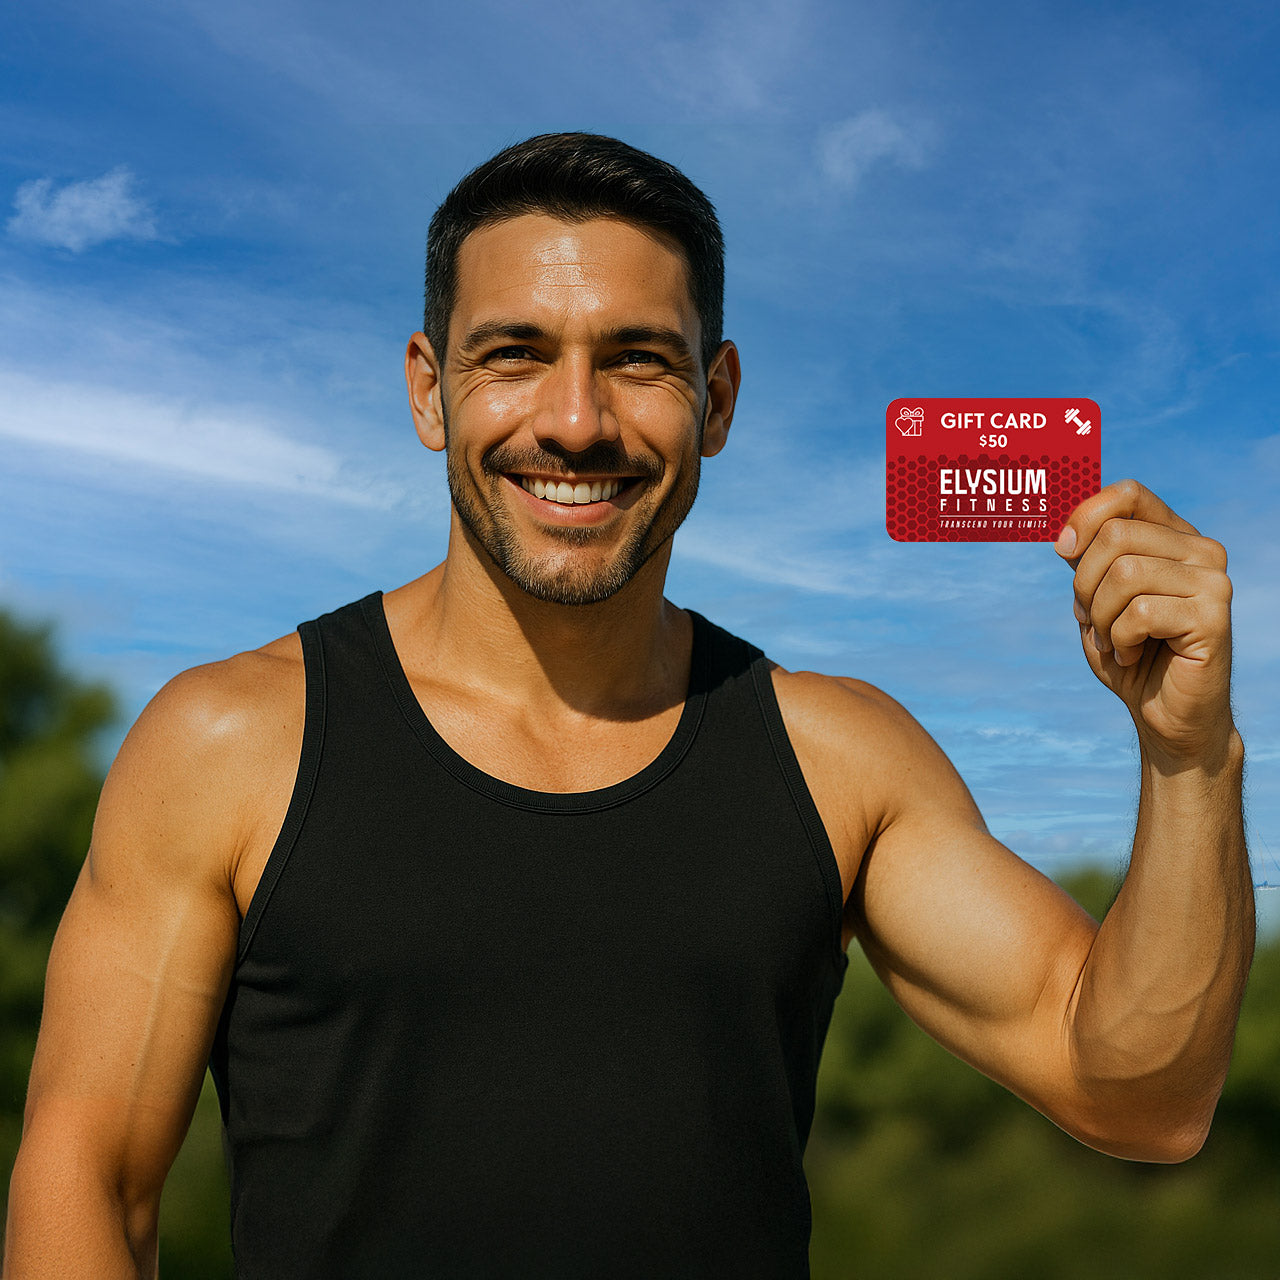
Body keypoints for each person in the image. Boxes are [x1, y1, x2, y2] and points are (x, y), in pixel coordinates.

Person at [4, 133, 1252, 1279]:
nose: (574, 420)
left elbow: (1137, 1091)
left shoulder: (836, 757)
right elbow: (88, 1184)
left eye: (636, 361)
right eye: (514, 354)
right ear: (429, 389)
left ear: (713, 401)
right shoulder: (228, 741)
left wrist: (1187, 754)